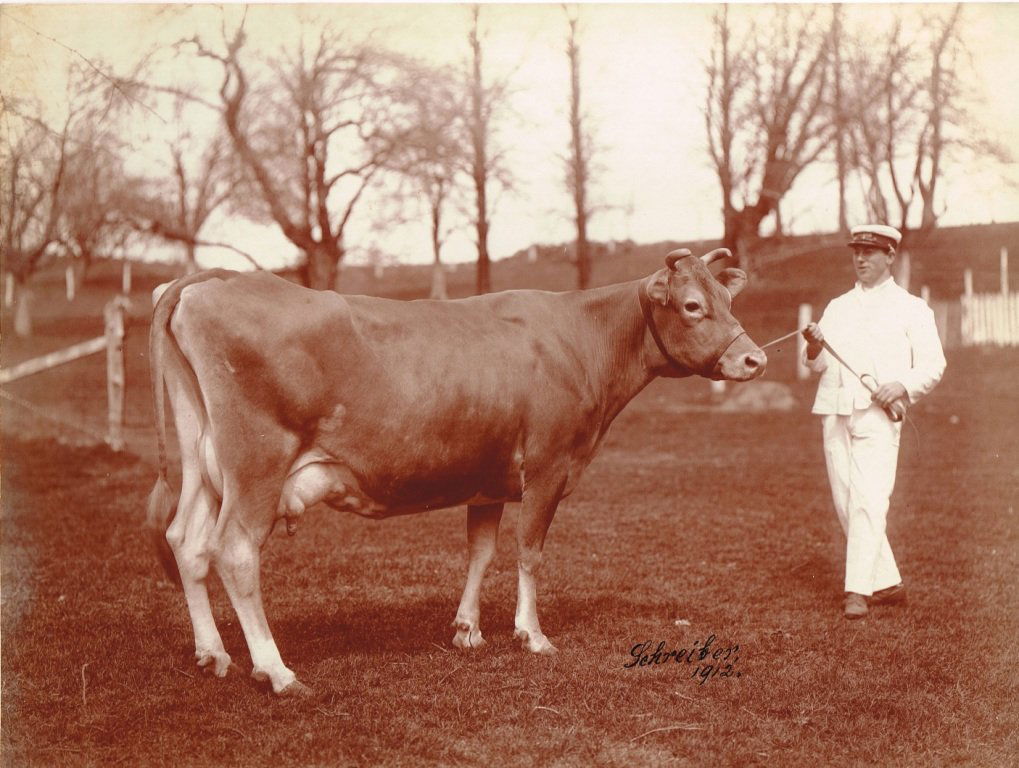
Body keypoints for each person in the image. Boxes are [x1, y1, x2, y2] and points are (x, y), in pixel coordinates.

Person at [802, 224, 946, 619]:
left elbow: (934, 365)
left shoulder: (913, 308)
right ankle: (889, 583)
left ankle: (858, 592)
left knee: (868, 500)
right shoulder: (838, 306)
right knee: (847, 501)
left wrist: (901, 384)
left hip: (879, 416)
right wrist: (814, 345)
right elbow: (817, 364)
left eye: (870, 252)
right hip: (834, 409)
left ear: (890, 257)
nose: (861, 258)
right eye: (856, 252)